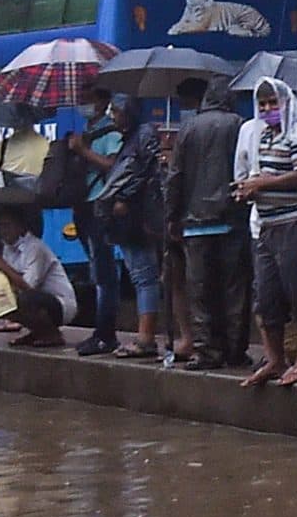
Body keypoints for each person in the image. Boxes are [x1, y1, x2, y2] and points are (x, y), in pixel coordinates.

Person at [236, 79, 297, 387]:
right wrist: (247, 189)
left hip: (296, 224)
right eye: (263, 105)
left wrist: (261, 184)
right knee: (266, 297)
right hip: (267, 226)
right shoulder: (263, 137)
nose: (268, 109)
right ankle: (275, 359)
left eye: (273, 103)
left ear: (285, 103)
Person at [164, 78, 249, 369]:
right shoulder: (238, 125)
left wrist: (172, 216)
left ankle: (207, 351)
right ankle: (236, 350)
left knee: (200, 291)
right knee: (234, 290)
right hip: (232, 220)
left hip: (195, 223)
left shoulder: (189, 128)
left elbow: (175, 176)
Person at [95, 96, 168, 358]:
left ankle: (146, 337)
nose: (112, 115)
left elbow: (144, 172)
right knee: (141, 275)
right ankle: (145, 335)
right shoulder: (131, 136)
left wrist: (124, 197)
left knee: (144, 276)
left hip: (138, 218)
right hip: (130, 218)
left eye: (115, 110)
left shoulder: (144, 135)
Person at [67, 84, 126, 355]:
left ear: (103, 101)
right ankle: (100, 331)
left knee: (104, 274)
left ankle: (105, 334)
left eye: (88, 98)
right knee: (96, 270)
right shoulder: (86, 133)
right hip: (83, 206)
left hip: (100, 206)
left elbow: (113, 166)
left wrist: (83, 151)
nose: (84, 103)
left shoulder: (110, 132)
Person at [0, 205, 79, 348]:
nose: (3, 231)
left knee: (26, 299)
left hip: (60, 305)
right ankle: (37, 332)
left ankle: (52, 335)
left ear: (21, 226)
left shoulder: (35, 248)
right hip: (36, 299)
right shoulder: (7, 249)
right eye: (0, 227)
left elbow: (28, 286)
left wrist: (1, 265)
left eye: (7, 226)